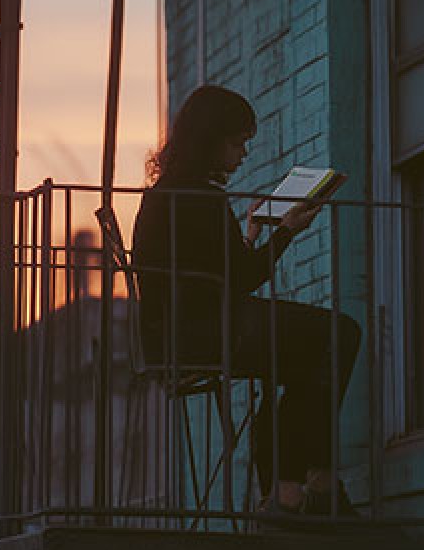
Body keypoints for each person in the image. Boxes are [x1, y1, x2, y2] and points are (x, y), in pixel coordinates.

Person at [131, 85, 361, 516]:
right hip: (208, 331)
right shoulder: (201, 197)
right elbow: (243, 278)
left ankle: (289, 490)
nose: (242, 154)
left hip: (177, 333)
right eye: (237, 142)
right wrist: (287, 230)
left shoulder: (168, 194)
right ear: (210, 140)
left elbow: (218, 269)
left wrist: (253, 231)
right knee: (341, 331)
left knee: (303, 360)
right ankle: (310, 482)